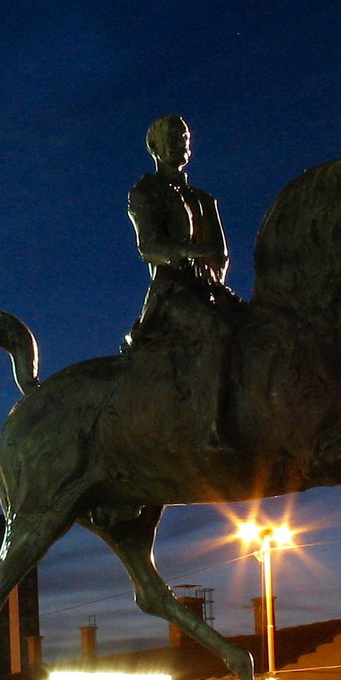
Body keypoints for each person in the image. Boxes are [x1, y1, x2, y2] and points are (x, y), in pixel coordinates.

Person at [124, 113, 243, 448]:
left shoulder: (205, 199)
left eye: (185, 137)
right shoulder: (145, 192)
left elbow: (221, 251)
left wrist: (214, 274)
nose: (182, 143)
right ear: (155, 146)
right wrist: (188, 252)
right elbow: (149, 246)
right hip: (173, 292)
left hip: (211, 289)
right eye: (173, 137)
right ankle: (213, 428)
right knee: (216, 333)